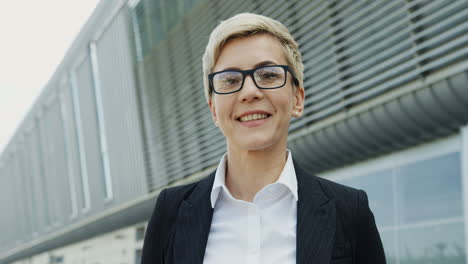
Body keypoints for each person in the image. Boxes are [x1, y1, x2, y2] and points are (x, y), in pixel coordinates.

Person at [141, 13, 386, 264]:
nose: (250, 92)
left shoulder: (349, 211)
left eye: (268, 75)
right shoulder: (171, 211)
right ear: (214, 109)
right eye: (230, 80)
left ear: (297, 99)